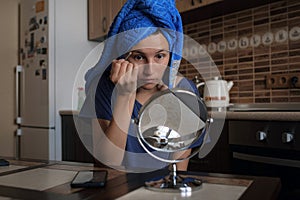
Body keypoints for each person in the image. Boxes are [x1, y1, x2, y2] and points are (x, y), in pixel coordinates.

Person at [80, 0, 203, 172]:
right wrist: (125, 95)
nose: (150, 70)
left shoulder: (185, 91)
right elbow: (107, 165)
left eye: (160, 56)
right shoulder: (104, 88)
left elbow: (178, 169)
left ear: (171, 55)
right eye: (138, 57)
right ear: (123, 57)